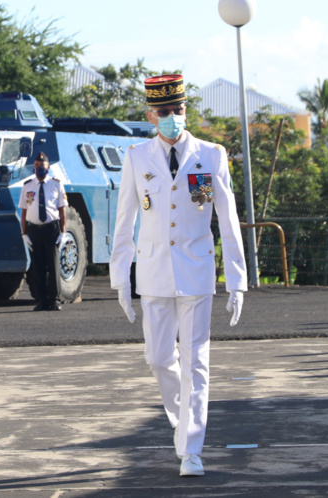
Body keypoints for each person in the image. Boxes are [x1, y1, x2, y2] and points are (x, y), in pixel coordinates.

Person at [109, 74, 247, 477]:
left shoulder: (211, 155)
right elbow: (124, 223)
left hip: (197, 270)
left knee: (196, 363)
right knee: (157, 358)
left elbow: (228, 219)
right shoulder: (136, 157)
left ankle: (191, 448)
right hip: (153, 271)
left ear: (186, 110)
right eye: (165, 112)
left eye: (179, 110)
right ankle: (181, 421)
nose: (173, 118)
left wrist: (236, 280)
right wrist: (121, 277)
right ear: (152, 115)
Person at [18, 152, 68, 311]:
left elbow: (62, 211)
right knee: (37, 267)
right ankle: (42, 301)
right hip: (34, 230)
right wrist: (24, 234)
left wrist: (63, 232)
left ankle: (55, 300)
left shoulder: (56, 184)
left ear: (48, 168)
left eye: (42, 166)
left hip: (51, 229)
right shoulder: (27, 186)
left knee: (53, 267)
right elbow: (24, 212)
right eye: (37, 166)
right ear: (34, 168)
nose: (39, 169)